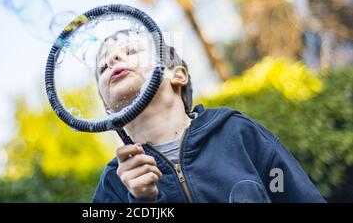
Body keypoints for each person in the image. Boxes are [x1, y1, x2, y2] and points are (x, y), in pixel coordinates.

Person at [92, 28, 325, 203]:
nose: (113, 60)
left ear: (177, 75)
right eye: (103, 67)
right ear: (109, 111)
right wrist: (143, 203)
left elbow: (297, 195)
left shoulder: (238, 133)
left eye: (131, 51)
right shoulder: (113, 185)